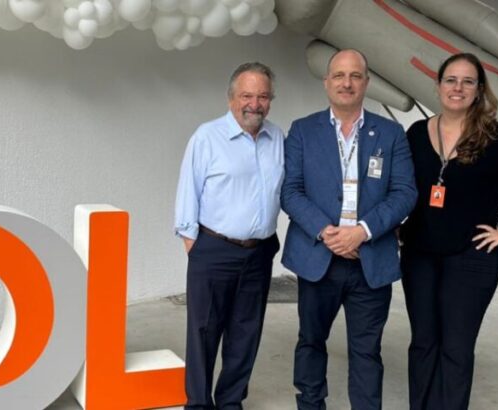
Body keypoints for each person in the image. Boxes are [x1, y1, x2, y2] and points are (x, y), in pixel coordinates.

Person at [399, 52, 498, 410]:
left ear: (479, 90)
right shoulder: (416, 133)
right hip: (419, 254)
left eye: (467, 81)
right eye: (451, 80)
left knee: (455, 349)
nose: (458, 88)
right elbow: (401, 187)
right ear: (438, 85)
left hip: (472, 258)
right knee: (423, 344)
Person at [281, 49, 416, 410]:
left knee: (367, 351)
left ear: (366, 83)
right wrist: (326, 232)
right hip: (318, 258)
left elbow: (405, 193)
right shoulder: (302, 130)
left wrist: (363, 231)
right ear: (326, 82)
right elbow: (290, 191)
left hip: (369, 261)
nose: (347, 83)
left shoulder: (391, 134)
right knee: (311, 341)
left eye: (355, 75)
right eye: (339, 75)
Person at [173, 62, 285, 409]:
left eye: (263, 96)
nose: (255, 104)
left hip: (259, 253)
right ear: (231, 98)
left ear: (270, 100)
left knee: (246, 333)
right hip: (213, 249)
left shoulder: (277, 138)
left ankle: (231, 402)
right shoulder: (207, 137)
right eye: (247, 95)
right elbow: (187, 192)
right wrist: (194, 244)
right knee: (203, 332)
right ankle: (198, 404)